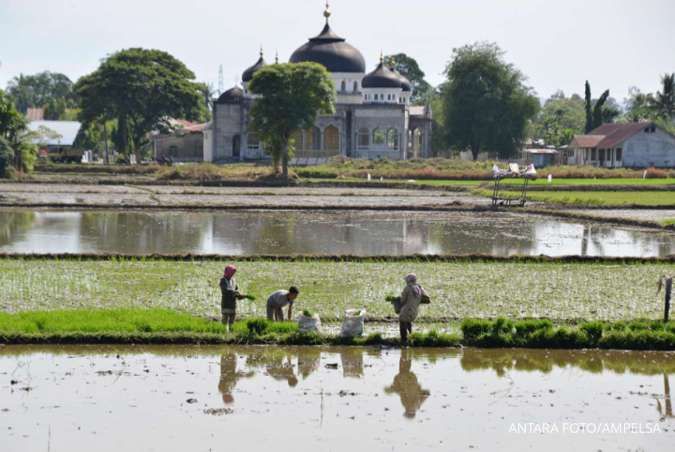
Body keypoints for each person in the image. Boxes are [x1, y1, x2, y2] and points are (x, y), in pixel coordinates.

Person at [398, 273, 426, 346]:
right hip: (415, 310)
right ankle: (411, 337)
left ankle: (404, 341)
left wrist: (397, 300)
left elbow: (402, 300)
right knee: (408, 322)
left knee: (402, 322)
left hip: (407, 309)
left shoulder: (407, 288)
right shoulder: (419, 288)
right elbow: (425, 298)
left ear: (408, 280)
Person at [219, 264, 248, 330]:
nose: (232, 274)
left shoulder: (233, 280)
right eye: (231, 272)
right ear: (228, 272)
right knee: (224, 321)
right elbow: (225, 290)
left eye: (233, 273)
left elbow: (236, 290)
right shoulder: (223, 280)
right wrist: (235, 293)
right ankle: (222, 333)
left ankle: (231, 333)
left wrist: (241, 296)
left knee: (232, 322)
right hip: (226, 304)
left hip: (233, 305)